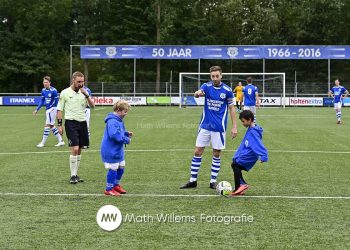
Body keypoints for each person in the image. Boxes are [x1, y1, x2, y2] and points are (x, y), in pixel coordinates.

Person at [180, 66, 238, 189]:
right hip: (205, 125)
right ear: (210, 76)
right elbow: (199, 93)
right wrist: (197, 93)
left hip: (219, 127)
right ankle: (193, 180)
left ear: (221, 76)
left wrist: (234, 127)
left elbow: (232, 108)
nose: (215, 78)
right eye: (213, 76)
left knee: (216, 153)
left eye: (217, 76)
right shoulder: (206, 86)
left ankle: (213, 181)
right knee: (197, 151)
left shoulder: (227, 90)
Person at [57, 71, 95, 184]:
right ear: (73, 80)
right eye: (79, 81)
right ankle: (72, 175)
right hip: (70, 123)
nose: (81, 84)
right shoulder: (65, 93)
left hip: (82, 122)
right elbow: (59, 110)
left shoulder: (85, 92)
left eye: (82, 81)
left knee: (79, 149)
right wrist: (59, 125)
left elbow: (93, 106)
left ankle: (76, 174)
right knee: (74, 148)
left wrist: (86, 95)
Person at [230, 110, 268, 196]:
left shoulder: (253, 132)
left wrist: (264, 156)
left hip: (250, 154)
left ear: (249, 120)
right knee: (236, 165)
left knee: (235, 165)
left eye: (243, 121)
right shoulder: (252, 128)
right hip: (250, 153)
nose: (242, 123)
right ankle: (241, 186)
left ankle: (239, 187)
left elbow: (258, 144)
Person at [101, 100, 133, 196]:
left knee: (121, 166)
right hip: (110, 149)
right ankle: (109, 189)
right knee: (113, 168)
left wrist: (126, 133)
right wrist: (126, 139)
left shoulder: (118, 120)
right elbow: (114, 135)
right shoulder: (112, 121)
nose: (126, 113)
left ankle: (115, 185)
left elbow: (119, 131)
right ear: (119, 110)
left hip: (117, 149)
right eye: (125, 111)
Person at [33, 76, 65, 147]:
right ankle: (61, 141)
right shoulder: (43, 90)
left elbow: (57, 102)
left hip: (52, 109)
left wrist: (58, 112)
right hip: (48, 110)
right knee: (51, 126)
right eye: (44, 82)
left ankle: (42, 143)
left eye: (46, 82)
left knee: (47, 125)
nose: (45, 83)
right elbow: (42, 101)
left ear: (49, 83)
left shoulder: (54, 91)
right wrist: (37, 109)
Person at [83, 83, 92, 148]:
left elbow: (89, 101)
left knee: (86, 126)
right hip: (78, 110)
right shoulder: (75, 89)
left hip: (86, 109)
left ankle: (86, 143)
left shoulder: (87, 90)